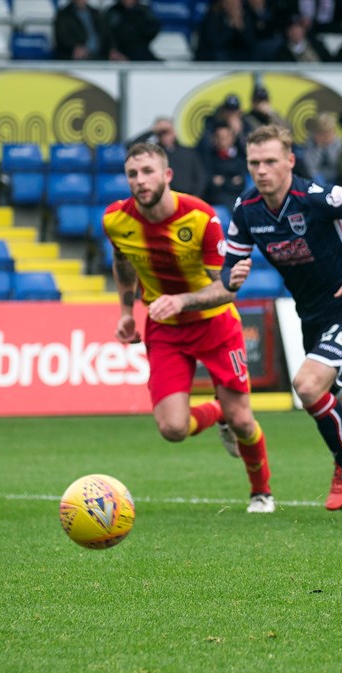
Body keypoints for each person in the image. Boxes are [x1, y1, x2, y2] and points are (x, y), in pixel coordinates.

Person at [221, 125, 342, 519]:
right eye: (254, 163)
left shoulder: (316, 197)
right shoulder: (246, 209)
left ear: (290, 161)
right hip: (311, 317)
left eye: (271, 162)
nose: (261, 171)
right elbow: (229, 262)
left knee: (307, 385)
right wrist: (232, 274)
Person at [102, 142, 274, 513]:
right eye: (133, 174)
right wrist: (126, 311)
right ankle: (218, 412)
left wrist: (182, 300)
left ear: (167, 175)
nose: (140, 180)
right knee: (173, 429)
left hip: (214, 325)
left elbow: (224, 288)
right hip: (165, 330)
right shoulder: (116, 219)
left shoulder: (199, 217)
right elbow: (122, 261)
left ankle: (261, 492)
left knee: (244, 420)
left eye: (148, 172)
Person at [130, 116, 206, 197]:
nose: (165, 136)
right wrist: (152, 131)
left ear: (174, 131)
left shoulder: (188, 152)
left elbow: (201, 177)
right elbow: (131, 147)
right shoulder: (154, 153)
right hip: (163, 197)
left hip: (187, 196)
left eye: (167, 131)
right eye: (161, 133)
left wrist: (195, 196)